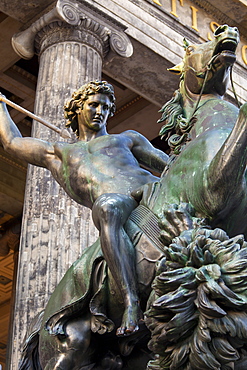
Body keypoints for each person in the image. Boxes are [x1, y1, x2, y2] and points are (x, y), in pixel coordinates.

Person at [0, 80, 168, 336]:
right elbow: (12, 142)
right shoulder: (59, 153)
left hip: (150, 192)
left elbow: (167, 164)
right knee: (107, 207)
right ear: (78, 108)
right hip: (116, 204)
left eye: (106, 107)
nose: (100, 111)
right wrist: (0, 106)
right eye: (94, 105)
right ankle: (131, 301)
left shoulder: (127, 138)